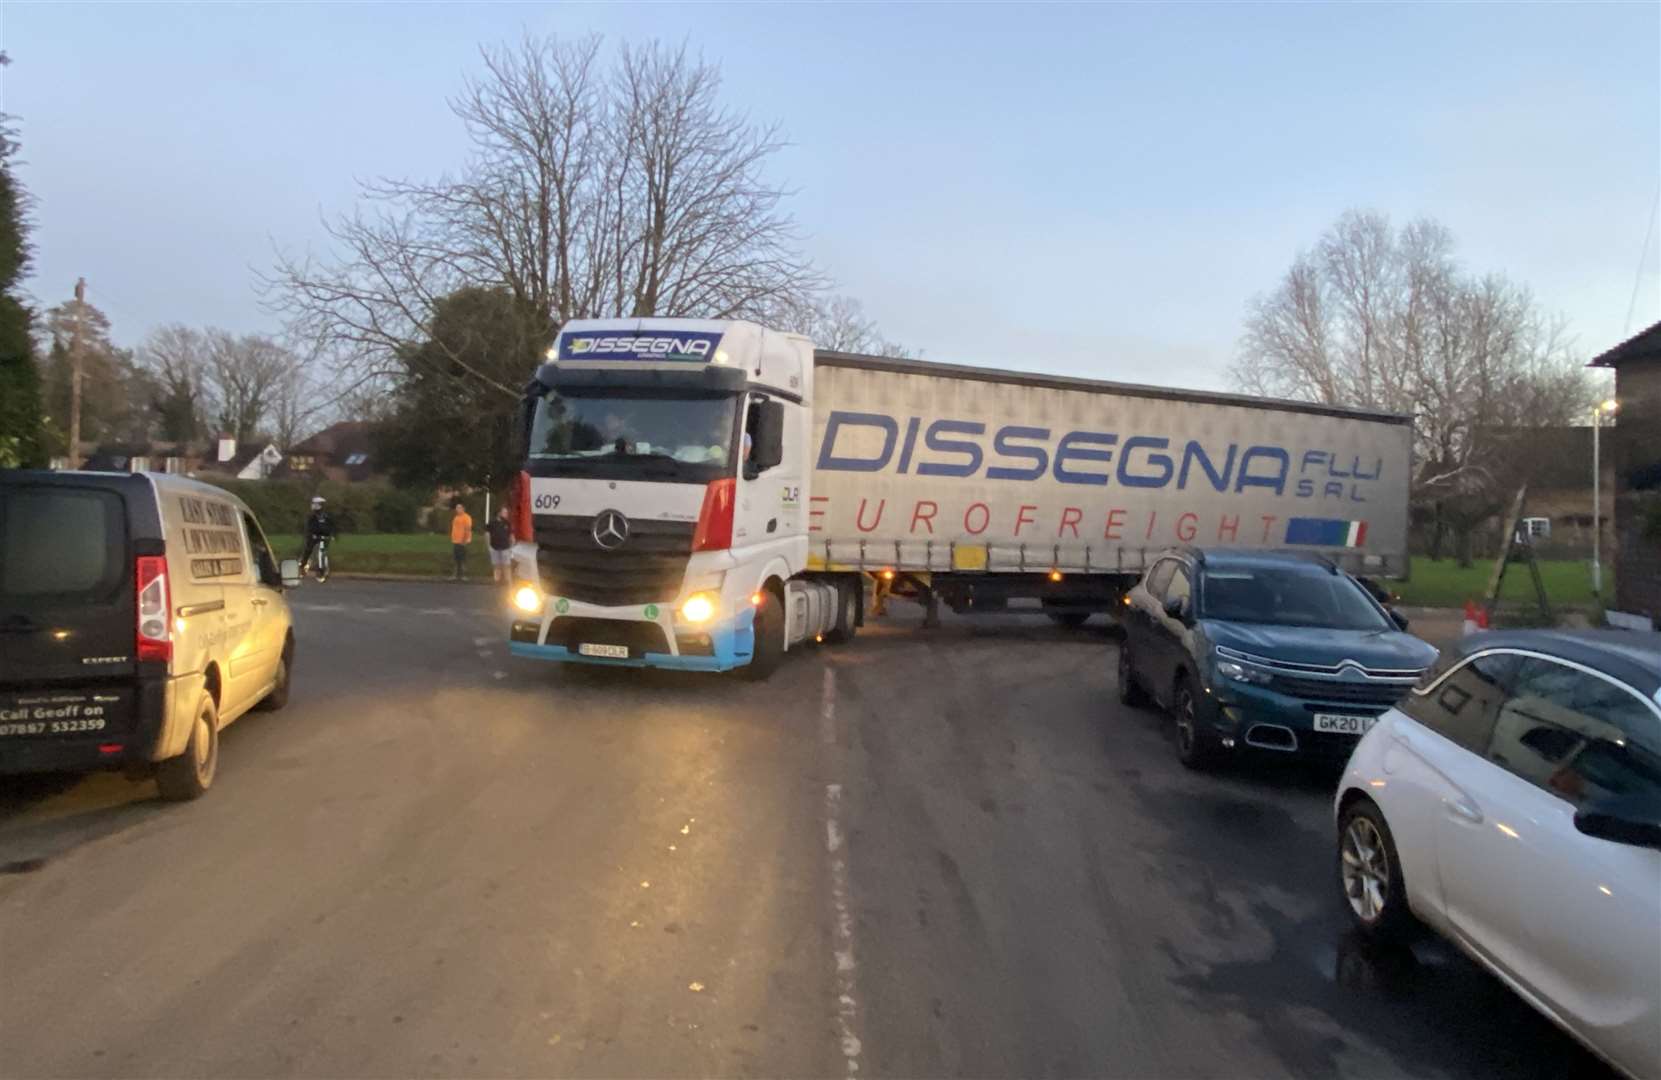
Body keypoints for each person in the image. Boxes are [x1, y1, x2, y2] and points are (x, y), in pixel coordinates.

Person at [300, 496, 336, 576]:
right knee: (308, 550)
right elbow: (309, 528)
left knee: (323, 550)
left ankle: (323, 565)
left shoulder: (327, 516)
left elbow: (332, 526)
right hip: (314, 536)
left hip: (324, 537)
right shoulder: (312, 517)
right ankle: (303, 565)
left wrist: (332, 535)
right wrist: (312, 535)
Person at [486, 507, 514, 585]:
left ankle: (508, 581)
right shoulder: (492, 522)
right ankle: (497, 581)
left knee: (506, 565)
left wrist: (511, 546)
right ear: (499, 513)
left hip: (505, 547)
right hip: (494, 547)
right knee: (496, 565)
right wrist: (488, 546)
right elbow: (487, 534)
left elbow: (511, 535)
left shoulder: (508, 523)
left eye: (507, 513)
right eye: (504, 512)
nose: (506, 514)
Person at [449, 500, 473, 581]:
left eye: (459, 508)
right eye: (456, 508)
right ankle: (455, 575)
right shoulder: (456, 517)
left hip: (462, 542)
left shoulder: (467, 517)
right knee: (456, 559)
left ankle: (464, 576)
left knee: (463, 559)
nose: (457, 509)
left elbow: (468, 529)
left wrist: (465, 540)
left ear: (463, 509)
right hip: (455, 541)